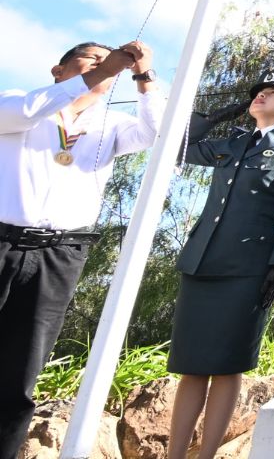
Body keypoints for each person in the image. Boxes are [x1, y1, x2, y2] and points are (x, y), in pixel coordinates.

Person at [0, 40, 161, 459]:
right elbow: (30, 109)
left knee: (19, 375)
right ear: (58, 70)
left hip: (59, 255)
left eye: (108, 62)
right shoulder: (22, 103)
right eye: (90, 58)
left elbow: (157, 135)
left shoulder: (113, 123)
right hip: (2, 240)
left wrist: (144, 78)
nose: (104, 65)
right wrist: (101, 72)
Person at [165, 67, 274, 459]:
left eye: (271, 92)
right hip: (202, 261)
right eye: (257, 92)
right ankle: (174, 454)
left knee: (227, 366)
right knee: (192, 366)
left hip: (249, 267)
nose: (260, 96)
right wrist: (216, 115)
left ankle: (206, 455)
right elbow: (178, 145)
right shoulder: (232, 142)